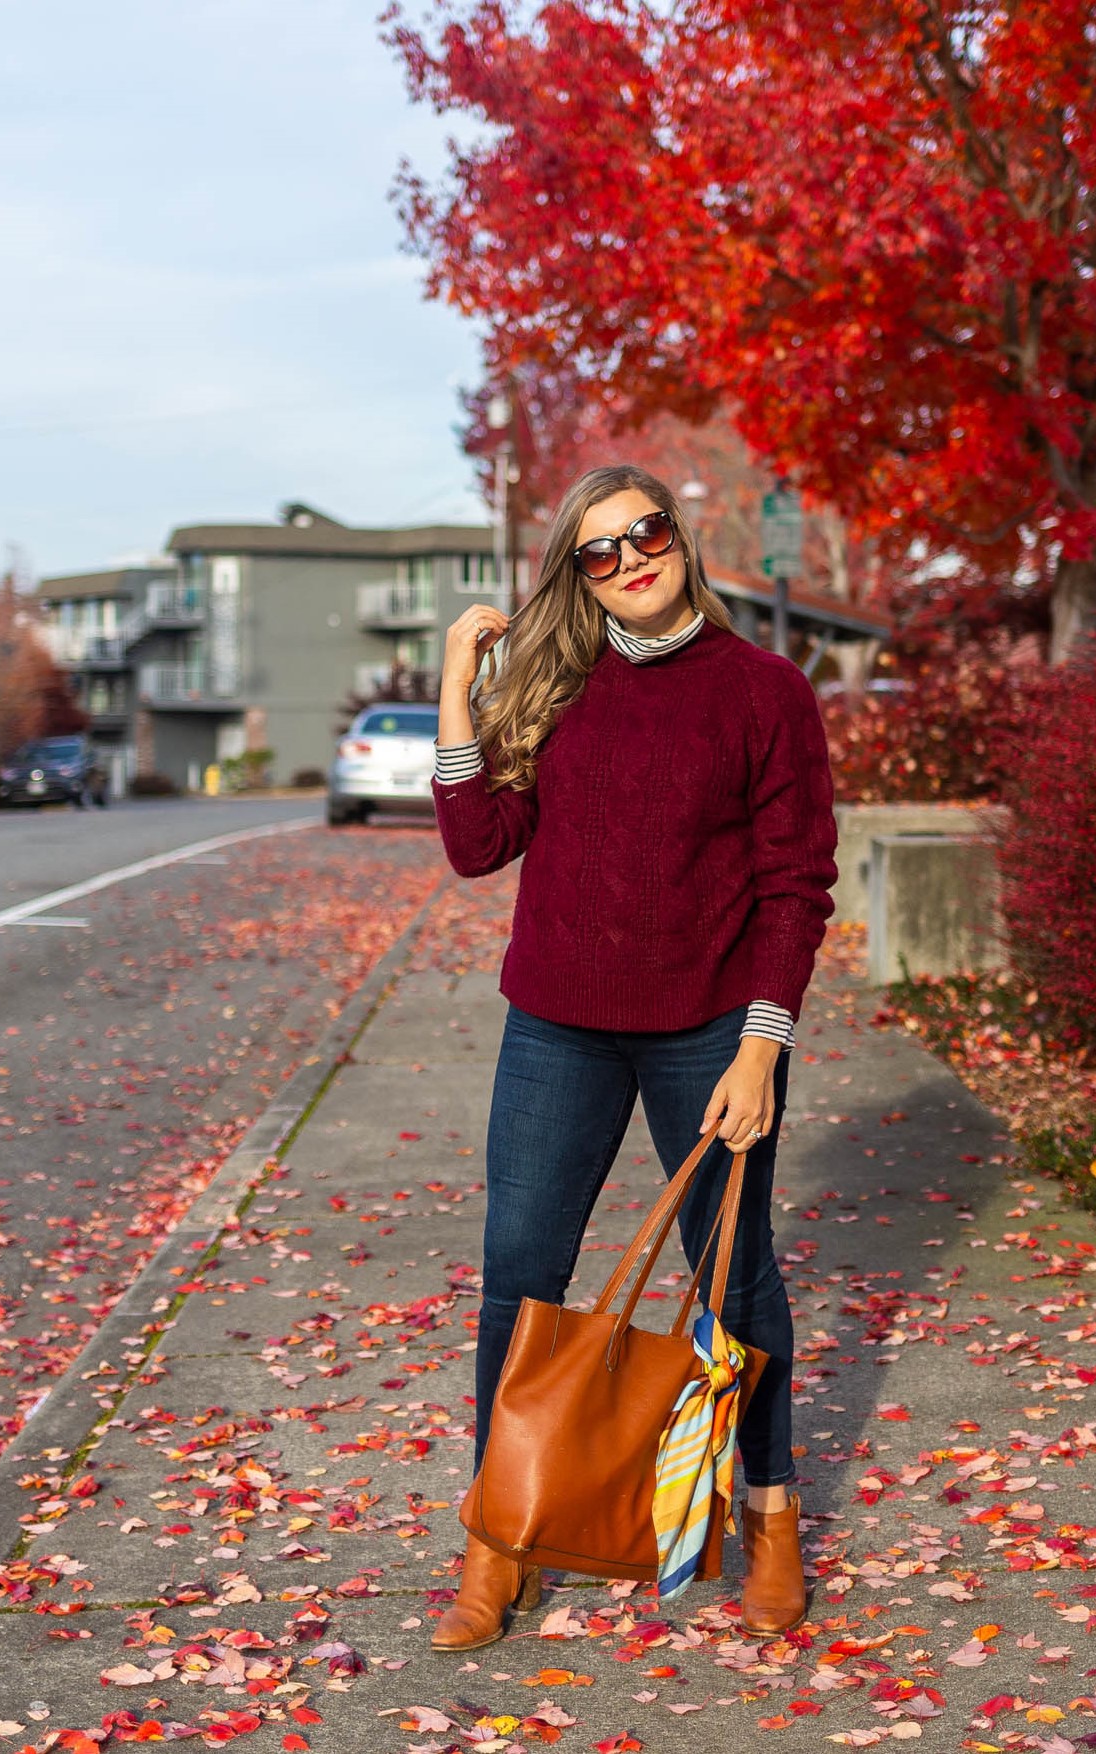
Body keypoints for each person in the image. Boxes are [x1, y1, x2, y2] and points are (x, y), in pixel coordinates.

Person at [427, 464, 837, 1651]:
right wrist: (461, 687)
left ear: (680, 536)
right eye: (598, 552)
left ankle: (768, 1516)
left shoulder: (765, 691)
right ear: (577, 571)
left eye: (644, 533)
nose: (629, 561)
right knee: (520, 1272)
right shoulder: (555, 684)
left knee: (733, 1281)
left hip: (712, 1022)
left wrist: (762, 1048)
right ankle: (499, 1538)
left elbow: (795, 885)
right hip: (558, 1022)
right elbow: (475, 846)